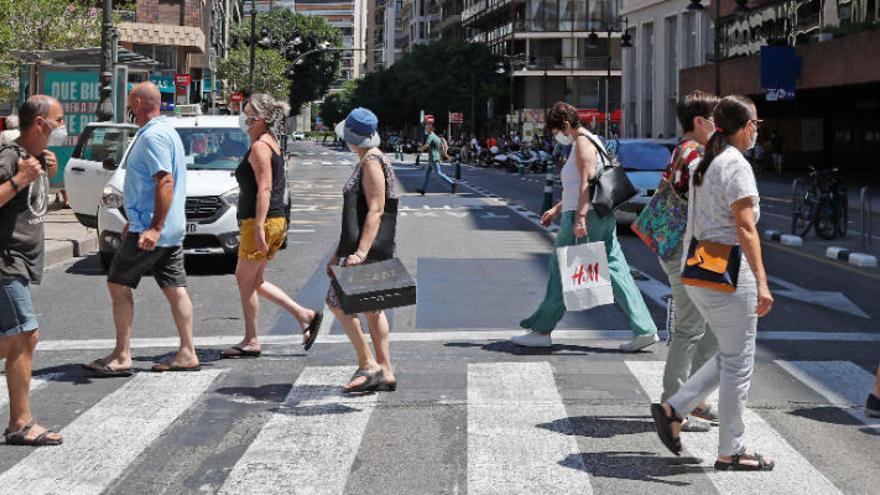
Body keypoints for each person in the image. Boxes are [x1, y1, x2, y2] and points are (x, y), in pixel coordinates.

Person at [651, 95, 775, 471]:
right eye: (756, 124)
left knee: (730, 356)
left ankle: (675, 407)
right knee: (739, 364)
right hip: (729, 276)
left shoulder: (709, 162)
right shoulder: (735, 164)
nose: (757, 131)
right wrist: (763, 282)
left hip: (699, 273)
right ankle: (731, 450)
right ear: (747, 126)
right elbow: (745, 227)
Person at [513, 102, 659, 351]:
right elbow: (581, 187)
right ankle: (645, 329)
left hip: (585, 217)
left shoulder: (582, 143)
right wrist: (556, 209)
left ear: (566, 125)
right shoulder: (593, 141)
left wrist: (579, 218)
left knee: (561, 269)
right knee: (615, 269)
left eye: (557, 130)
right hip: (598, 214)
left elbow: (585, 184)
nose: (557, 136)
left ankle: (541, 330)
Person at [84, 82, 199, 376]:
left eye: (130, 100)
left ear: (137, 101)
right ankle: (187, 352)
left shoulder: (153, 137)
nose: (129, 105)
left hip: (154, 230)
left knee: (118, 284)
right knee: (175, 288)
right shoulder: (165, 131)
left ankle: (122, 355)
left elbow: (165, 181)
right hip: (165, 228)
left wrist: (152, 227)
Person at [222, 94, 323, 359]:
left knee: (245, 280)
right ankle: (305, 316)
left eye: (249, 117)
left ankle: (251, 340)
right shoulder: (269, 143)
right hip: (272, 220)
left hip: (262, 221)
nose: (245, 122)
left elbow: (265, 188)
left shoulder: (260, 148)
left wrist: (257, 226)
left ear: (261, 119)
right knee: (254, 280)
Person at [0, 95, 64, 446]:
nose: (61, 125)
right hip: (6, 260)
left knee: (13, 339)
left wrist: (43, 170)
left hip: (21, 260)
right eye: (58, 119)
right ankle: (20, 423)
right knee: (27, 335)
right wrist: (20, 180)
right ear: (40, 123)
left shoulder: (35, 158)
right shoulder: (11, 158)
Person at [656, 91, 721, 431]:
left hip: (686, 249)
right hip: (684, 251)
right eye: (716, 120)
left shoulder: (685, 151)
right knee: (691, 327)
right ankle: (675, 406)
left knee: (711, 326)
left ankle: (691, 396)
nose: (720, 127)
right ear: (699, 122)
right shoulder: (694, 154)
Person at [327, 108, 398, 393]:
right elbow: (355, 217)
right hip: (369, 247)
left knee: (337, 302)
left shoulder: (370, 161)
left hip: (367, 250)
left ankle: (368, 363)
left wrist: (359, 253)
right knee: (372, 309)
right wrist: (337, 253)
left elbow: (376, 209)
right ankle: (386, 369)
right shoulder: (374, 158)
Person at [415, 124, 455, 195]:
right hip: (434, 157)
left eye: (426, 129)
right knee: (426, 174)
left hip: (433, 158)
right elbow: (441, 147)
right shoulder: (436, 137)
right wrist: (442, 156)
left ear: (430, 129)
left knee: (439, 173)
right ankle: (423, 190)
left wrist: (421, 149)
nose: (425, 130)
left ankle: (452, 183)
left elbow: (427, 145)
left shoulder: (430, 136)